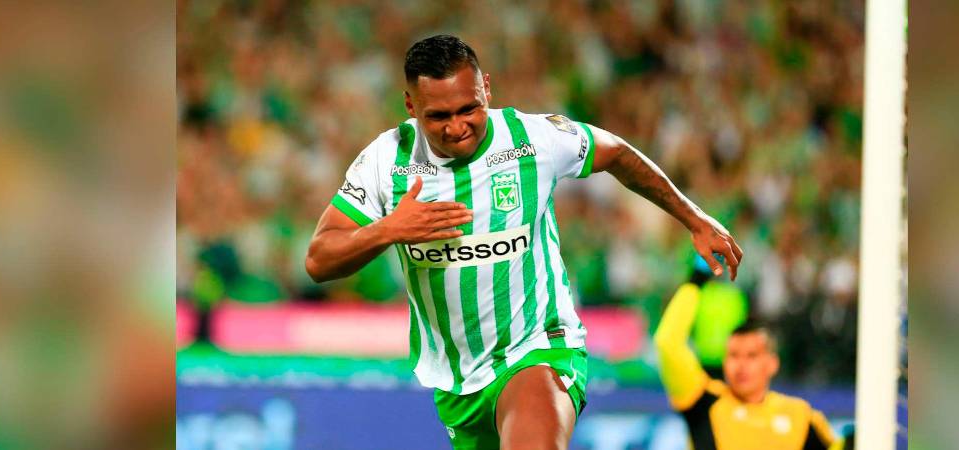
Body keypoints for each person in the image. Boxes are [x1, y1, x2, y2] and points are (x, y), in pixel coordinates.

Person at [303, 35, 742, 450]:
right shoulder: (386, 161)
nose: (457, 127)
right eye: (438, 116)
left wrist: (695, 218)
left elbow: (617, 153)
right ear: (410, 105)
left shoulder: (532, 140)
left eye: (468, 108)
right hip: (458, 380)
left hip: (539, 346)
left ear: (486, 89)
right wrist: (389, 230)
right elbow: (319, 260)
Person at [655, 275, 838, 450]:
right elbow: (668, 343)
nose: (741, 365)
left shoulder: (799, 416)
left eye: (751, 356)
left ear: (772, 363)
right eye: (734, 355)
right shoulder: (703, 402)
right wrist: (696, 280)